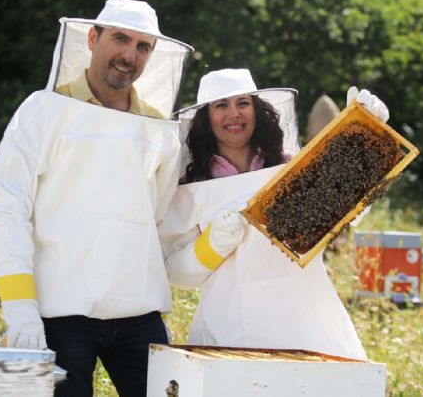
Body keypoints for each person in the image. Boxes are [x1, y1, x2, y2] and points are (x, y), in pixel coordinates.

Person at [0, 0, 193, 397]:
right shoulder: (43, 110)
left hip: (138, 312)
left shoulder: (160, 128)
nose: (129, 55)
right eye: (120, 39)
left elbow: (158, 215)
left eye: (143, 46)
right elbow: (5, 208)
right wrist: (20, 308)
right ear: (92, 38)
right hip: (60, 311)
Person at [161, 68, 388, 359]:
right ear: (206, 118)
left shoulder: (290, 168)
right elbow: (178, 274)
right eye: (222, 105)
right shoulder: (192, 187)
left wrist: (367, 137)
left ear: (256, 110)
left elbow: (345, 210)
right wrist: (212, 245)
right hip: (229, 330)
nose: (234, 114)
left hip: (306, 323)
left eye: (243, 103)